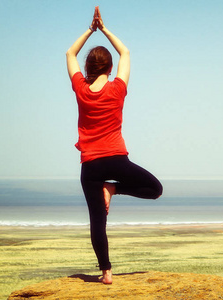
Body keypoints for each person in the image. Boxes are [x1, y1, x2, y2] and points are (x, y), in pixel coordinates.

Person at [66, 7, 163, 284]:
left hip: (90, 164)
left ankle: (106, 272)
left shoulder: (81, 90)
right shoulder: (117, 88)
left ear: (88, 68)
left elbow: (69, 54)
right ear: (109, 68)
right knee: (155, 189)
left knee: (98, 220)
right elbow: (126, 53)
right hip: (117, 160)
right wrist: (104, 29)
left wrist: (90, 28)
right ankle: (115, 188)